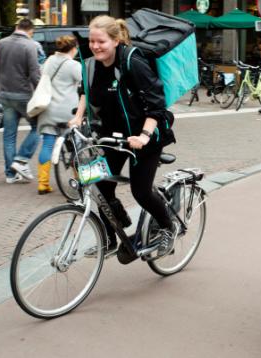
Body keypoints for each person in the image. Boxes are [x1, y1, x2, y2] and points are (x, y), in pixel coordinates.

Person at [69, 15, 177, 262]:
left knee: (141, 192)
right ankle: (110, 238)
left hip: (145, 137)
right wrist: (77, 117)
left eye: (101, 41)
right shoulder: (91, 65)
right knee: (99, 186)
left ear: (116, 40)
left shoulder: (132, 61)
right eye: (92, 41)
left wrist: (145, 135)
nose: (95, 46)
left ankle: (167, 227)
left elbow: (156, 104)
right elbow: (84, 91)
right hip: (112, 137)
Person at [0, 18, 41, 184]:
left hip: (5, 94)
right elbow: (35, 74)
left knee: (9, 135)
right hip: (24, 95)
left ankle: (10, 174)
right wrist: (42, 93)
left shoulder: (0, 44)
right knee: (38, 126)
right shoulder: (30, 46)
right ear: (30, 31)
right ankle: (21, 160)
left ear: (16, 27)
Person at [35, 35, 82, 194]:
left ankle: (43, 184)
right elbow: (85, 84)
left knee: (47, 145)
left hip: (48, 110)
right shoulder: (73, 65)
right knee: (75, 146)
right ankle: (79, 179)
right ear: (73, 48)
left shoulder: (48, 61)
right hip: (68, 112)